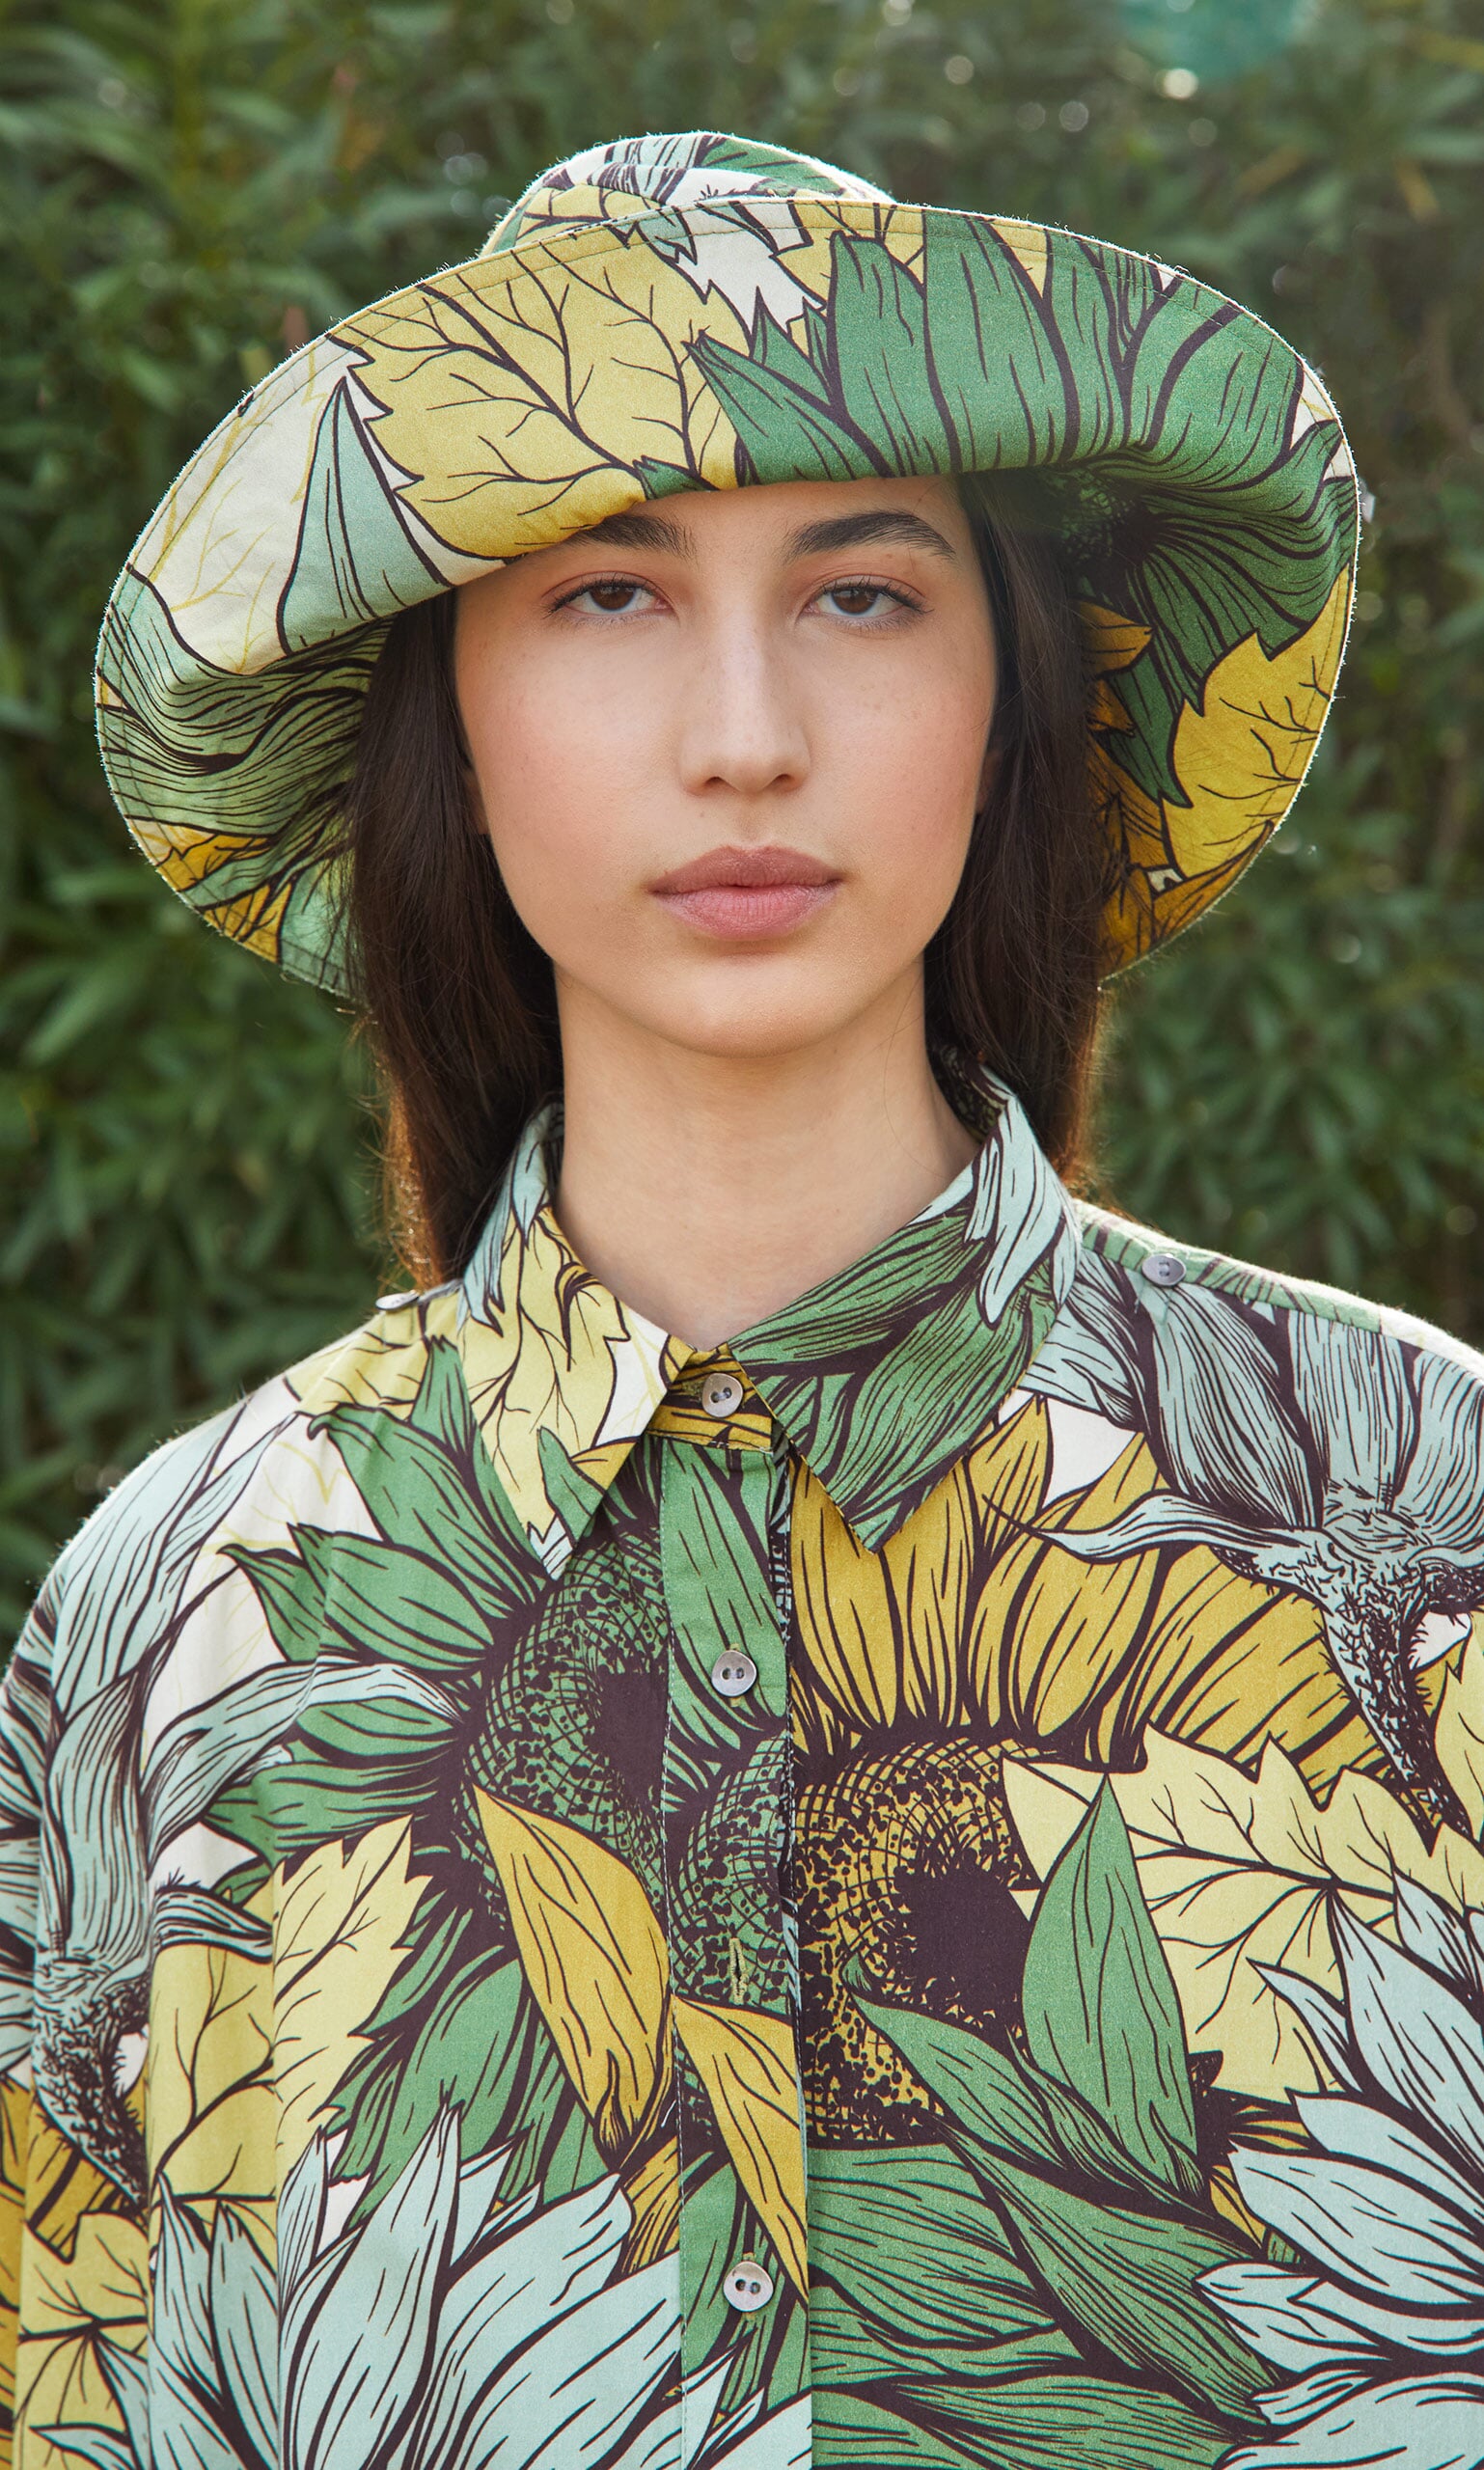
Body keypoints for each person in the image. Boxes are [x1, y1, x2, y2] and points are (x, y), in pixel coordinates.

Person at [4, 128, 1481, 2470]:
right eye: (605, 596)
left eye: (862, 593)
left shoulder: (1427, 1521)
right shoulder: (175, 1625)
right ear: (447, 723)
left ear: (1012, 698)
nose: (744, 734)